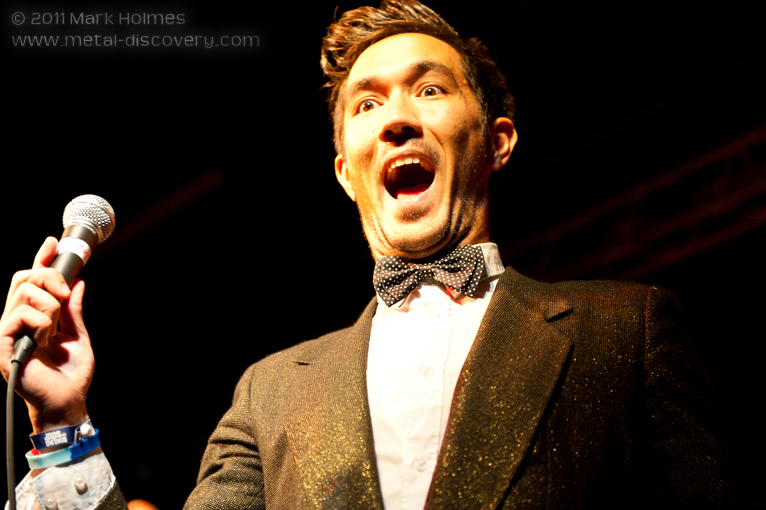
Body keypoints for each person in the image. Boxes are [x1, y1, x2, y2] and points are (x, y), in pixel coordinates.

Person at [1, 1, 753, 509]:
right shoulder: (269, 394)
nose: (395, 119)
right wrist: (62, 420)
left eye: (429, 90)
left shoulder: (625, 331)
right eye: (366, 104)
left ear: (496, 141)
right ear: (345, 170)